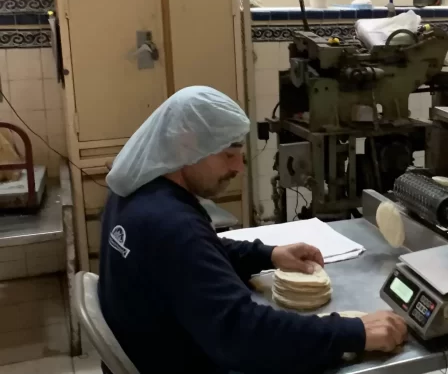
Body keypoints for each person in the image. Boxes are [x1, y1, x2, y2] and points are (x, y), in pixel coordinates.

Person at [99, 86, 407, 374]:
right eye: (228, 155)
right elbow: (243, 334)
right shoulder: (173, 225)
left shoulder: (133, 192)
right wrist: (354, 332)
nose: (239, 168)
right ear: (185, 146)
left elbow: (195, 255)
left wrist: (268, 254)